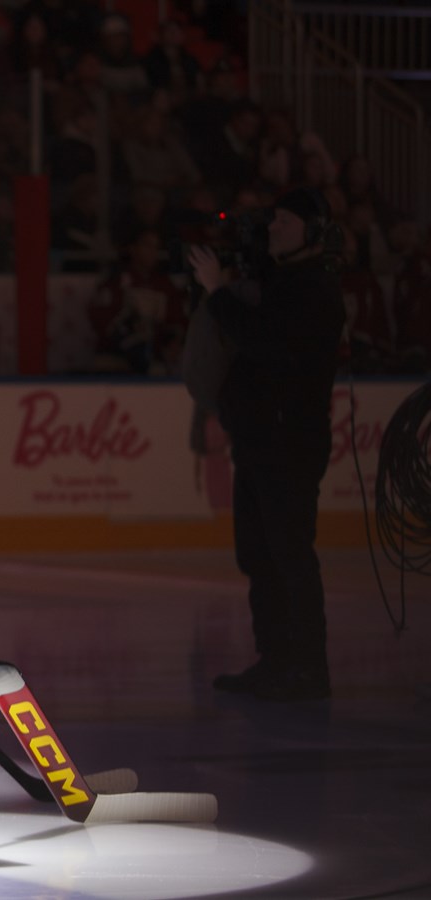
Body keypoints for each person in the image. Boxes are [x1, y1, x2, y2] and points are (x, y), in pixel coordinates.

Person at [188, 188, 346, 701]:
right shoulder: (280, 281)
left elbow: (263, 340)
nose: (273, 228)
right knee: (259, 555)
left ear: (313, 231)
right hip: (259, 438)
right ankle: (275, 660)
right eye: (272, 220)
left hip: (289, 441)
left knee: (289, 554)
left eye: (284, 221)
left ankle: (308, 668)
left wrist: (217, 291)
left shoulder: (314, 288)